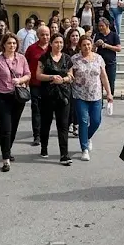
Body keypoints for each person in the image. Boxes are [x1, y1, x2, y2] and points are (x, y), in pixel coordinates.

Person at [0, 33, 30, 172]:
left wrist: (20, 80)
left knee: (13, 128)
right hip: (0, 97)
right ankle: (5, 159)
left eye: (14, 43)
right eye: (9, 43)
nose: (12, 45)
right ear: (3, 45)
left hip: (17, 97)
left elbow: (28, 74)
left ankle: (7, 149)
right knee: (6, 128)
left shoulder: (21, 58)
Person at [71, 35, 113, 160]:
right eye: (84, 45)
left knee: (96, 121)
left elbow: (104, 76)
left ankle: (86, 137)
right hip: (80, 95)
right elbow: (70, 74)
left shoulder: (98, 58)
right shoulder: (74, 59)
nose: (87, 47)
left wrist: (109, 93)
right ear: (80, 46)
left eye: (88, 44)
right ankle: (84, 148)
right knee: (83, 121)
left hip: (96, 95)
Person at [36, 33, 74, 165]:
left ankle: (64, 154)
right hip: (47, 95)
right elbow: (38, 75)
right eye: (56, 42)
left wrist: (63, 79)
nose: (59, 45)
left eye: (61, 42)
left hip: (63, 95)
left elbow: (71, 76)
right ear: (51, 43)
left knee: (63, 125)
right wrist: (51, 77)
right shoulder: (44, 58)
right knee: (46, 123)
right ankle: (44, 147)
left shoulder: (67, 58)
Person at [25, 25, 51, 148]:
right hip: (35, 83)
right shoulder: (31, 49)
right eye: (42, 35)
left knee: (47, 109)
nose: (45, 37)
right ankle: (37, 135)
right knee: (36, 109)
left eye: (47, 34)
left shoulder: (53, 47)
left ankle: (45, 132)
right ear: (38, 36)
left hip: (50, 84)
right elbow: (25, 64)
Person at [93, 18, 121, 98]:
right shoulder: (97, 35)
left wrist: (107, 46)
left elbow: (119, 48)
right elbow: (92, 49)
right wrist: (95, 44)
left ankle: (110, 98)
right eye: (99, 26)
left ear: (107, 25)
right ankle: (100, 100)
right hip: (99, 63)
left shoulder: (114, 35)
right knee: (99, 82)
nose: (100, 28)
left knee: (111, 82)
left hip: (110, 63)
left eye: (102, 26)